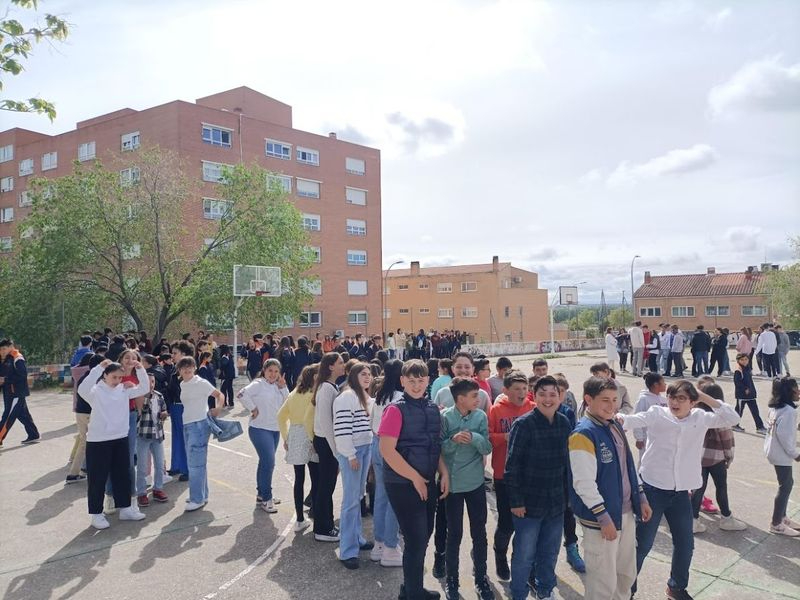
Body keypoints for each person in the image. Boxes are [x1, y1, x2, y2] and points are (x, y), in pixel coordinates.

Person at [616, 380, 740, 600]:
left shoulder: (701, 418)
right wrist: (619, 418)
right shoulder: (657, 413)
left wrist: (704, 396)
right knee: (642, 544)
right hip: (652, 490)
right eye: (672, 397)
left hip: (681, 493)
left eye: (682, 398)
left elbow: (732, 418)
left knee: (685, 544)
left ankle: (676, 587)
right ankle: (627, 589)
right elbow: (632, 420)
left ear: (693, 402)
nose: (675, 402)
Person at [569, 376, 652, 600]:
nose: (611, 405)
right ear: (588, 399)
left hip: (625, 512)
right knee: (602, 580)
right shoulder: (583, 434)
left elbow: (628, 465)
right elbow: (583, 483)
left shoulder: (614, 424)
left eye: (615, 399)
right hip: (602, 520)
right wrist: (603, 517)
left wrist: (641, 496)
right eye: (605, 400)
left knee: (625, 574)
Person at [379, 359, 450, 600]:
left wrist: (444, 472)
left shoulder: (431, 408)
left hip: (427, 479)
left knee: (423, 536)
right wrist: (415, 478)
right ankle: (414, 593)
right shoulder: (395, 410)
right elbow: (387, 451)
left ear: (428, 381)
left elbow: (435, 445)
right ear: (402, 381)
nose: (416, 385)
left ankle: (409, 589)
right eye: (411, 380)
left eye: (421, 380)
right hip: (402, 483)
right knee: (416, 538)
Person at [505, 376, 571, 600]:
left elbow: (567, 466)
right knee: (524, 555)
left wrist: (567, 499)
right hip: (528, 505)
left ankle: (544, 591)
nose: (548, 399)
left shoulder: (564, 423)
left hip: (556, 503)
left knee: (549, 553)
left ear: (560, 397)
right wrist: (516, 502)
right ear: (534, 395)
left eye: (553, 394)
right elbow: (511, 467)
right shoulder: (523, 425)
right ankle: (519, 594)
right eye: (543, 394)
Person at [78, 358, 149, 529]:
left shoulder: (124, 390)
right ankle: (96, 514)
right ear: (105, 376)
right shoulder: (95, 391)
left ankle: (125, 509)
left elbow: (144, 388)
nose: (117, 380)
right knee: (98, 478)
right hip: (98, 440)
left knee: (122, 475)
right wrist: (97, 367)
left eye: (120, 377)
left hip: (120, 437)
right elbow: (82, 389)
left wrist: (140, 369)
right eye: (114, 377)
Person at [440, 377, 494, 600]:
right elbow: (439, 449)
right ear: (460, 398)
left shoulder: (480, 416)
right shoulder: (445, 417)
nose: (478, 398)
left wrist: (474, 437)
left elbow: (487, 447)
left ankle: (481, 578)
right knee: (454, 534)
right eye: (474, 395)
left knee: (479, 532)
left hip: (475, 483)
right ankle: (452, 580)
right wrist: (452, 440)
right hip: (452, 485)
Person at [488, 370, 534, 581]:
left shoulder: (533, 408)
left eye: (524, 388)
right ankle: (499, 557)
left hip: (530, 476)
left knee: (527, 524)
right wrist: (505, 436)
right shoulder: (496, 410)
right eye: (516, 389)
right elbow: (487, 438)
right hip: (503, 474)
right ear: (505, 390)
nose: (522, 392)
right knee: (507, 522)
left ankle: (522, 562)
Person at [333, 362, 374, 569]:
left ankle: (357, 538)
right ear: (353, 376)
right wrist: (350, 455)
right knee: (350, 501)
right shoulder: (346, 397)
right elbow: (341, 430)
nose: (367, 377)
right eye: (363, 374)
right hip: (354, 452)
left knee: (358, 496)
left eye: (369, 374)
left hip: (366, 449)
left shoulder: (365, 398)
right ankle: (347, 550)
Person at [689, 382, 746, 533]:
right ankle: (726, 517)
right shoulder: (721, 419)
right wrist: (729, 458)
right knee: (721, 487)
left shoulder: (695, 414)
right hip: (716, 459)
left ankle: (693, 520)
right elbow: (727, 442)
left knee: (698, 489)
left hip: (697, 458)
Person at [238, 358, 289, 512]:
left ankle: (262, 494)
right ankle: (267, 498)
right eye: (270, 371)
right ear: (264, 371)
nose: (273, 374)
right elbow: (241, 394)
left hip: (274, 430)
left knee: (265, 463)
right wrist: (252, 408)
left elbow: (287, 403)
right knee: (269, 462)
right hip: (259, 429)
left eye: (276, 371)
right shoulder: (258, 384)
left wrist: (284, 387)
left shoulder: (278, 386)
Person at [178, 356, 226, 511]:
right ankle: (201, 495)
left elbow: (219, 394)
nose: (187, 369)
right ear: (179, 370)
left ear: (194, 368)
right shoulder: (183, 384)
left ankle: (196, 498)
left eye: (190, 366)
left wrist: (218, 408)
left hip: (199, 424)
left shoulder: (200, 382)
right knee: (197, 463)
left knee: (195, 464)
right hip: (187, 424)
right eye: (184, 367)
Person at [369, 359, 404, 567]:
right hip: (392, 449)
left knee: (381, 496)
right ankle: (391, 546)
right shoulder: (401, 398)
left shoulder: (379, 397)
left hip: (377, 444)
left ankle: (379, 544)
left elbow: (373, 425)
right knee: (394, 498)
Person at [278, 364, 318, 532]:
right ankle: (316, 511)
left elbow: (280, 416)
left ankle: (300, 518)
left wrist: (286, 437)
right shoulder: (314, 395)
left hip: (295, 433)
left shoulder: (294, 393)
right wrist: (313, 439)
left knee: (299, 478)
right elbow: (310, 419)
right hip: (311, 435)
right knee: (317, 477)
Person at [311, 352, 346, 542]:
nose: (343, 365)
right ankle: (322, 528)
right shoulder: (326, 388)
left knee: (327, 485)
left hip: (327, 441)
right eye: (340, 362)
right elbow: (325, 422)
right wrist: (336, 450)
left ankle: (327, 524)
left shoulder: (330, 387)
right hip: (325, 441)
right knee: (326, 486)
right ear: (331, 366)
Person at [764, 376, 800, 536]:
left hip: (773, 450)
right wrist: (796, 454)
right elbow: (785, 436)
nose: (798, 391)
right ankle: (776, 522)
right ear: (788, 391)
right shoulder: (789, 411)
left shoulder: (777, 407)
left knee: (787, 483)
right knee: (785, 486)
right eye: (796, 388)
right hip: (781, 453)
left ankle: (783, 517)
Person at [135, 370, 169, 507]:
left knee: (160, 465)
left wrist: (165, 413)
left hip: (157, 435)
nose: (151, 385)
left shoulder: (159, 396)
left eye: (153, 382)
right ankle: (142, 493)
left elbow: (164, 409)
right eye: (148, 382)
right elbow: (139, 412)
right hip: (143, 435)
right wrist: (146, 395)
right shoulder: (139, 396)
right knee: (142, 466)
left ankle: (158, 489)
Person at [0, 339, 39, 446]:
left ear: (11, 346)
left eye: (4, 349)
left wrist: (5, 380)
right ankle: (33, 434)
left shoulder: (17, 358)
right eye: (0, 349)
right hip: (9, 393)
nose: (2, 351)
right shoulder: (6, 358)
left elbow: (22, 375)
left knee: (8, 416)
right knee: (23, 415)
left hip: (16, 393)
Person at [66, 353, 96, 484]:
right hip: (88, 413)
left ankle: (78, 471)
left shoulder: (84, 376)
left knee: (83, 441)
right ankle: (77, 472)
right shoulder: (94, 379)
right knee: (89, 443)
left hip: (80, 412)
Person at [166, 340, 194, 481]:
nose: (172, 355)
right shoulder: (175, 368)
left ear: (183, 354)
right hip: (175, 406)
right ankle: (177, 465)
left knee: (184, 438)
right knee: (177, 436)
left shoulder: (188, 371)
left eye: (175, 353)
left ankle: (187, 468)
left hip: (183, 406)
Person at [632, 372, 667, 461]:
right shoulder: (644, 399)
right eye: (663, 382)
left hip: (661, 438)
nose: (665, 384)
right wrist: (639, 438)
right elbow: (637, 418)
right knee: (646, 460)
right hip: (646, 438)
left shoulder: (663, 399)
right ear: (656, 385)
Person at [732, 353, 766, 434]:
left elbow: (750, 382)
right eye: (742, 360)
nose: (744, 361)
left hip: (750, 395)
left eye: (746, 359)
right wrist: (745, 389)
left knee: (755, 411)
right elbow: (737, 382)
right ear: (738, 361)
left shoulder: (748, 368)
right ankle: (734, 424)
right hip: (742, 395)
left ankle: (760, 427)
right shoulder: (738, 370)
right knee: (739, 411)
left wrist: (752, 391)